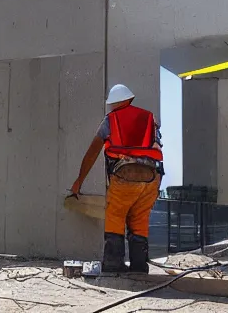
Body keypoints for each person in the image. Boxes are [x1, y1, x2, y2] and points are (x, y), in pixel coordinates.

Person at [70, 84, 164, 274]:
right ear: (130, 99)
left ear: (115, 103)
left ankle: (113, 264)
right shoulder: (149, 118)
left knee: (116, 215)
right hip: (150, 179)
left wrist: (79, 181)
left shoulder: (110, 120)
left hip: (124, 175)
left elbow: (92, 152)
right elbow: (157, 149)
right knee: (139, 219)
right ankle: (139, 266)